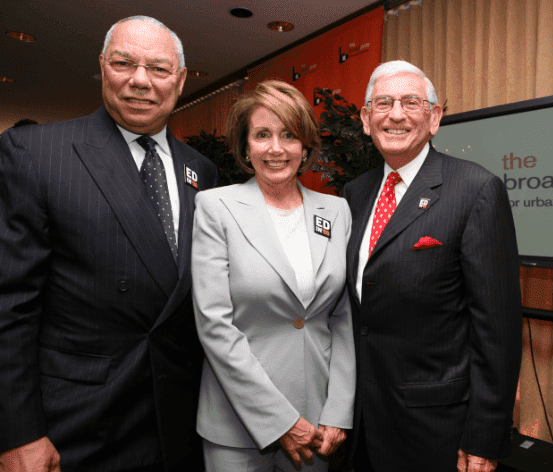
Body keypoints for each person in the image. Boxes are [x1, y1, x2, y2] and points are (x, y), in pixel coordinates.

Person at [0, 16, 218, 472]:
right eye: (124, 63)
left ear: (179, 81)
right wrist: (18, 432)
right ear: (103, 66)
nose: (140, 80)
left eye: (158, 69)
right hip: (74, 426)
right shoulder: (36, 153)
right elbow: (10, 305)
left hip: (175, 421)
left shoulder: (201, 171)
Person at [342, 60, 522, 472]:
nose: (396, 114)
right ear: (366, 120)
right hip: (364, 421)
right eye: (383, 103)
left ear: (435, 117)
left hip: (437, 430)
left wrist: (485, 436)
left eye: (411, 102)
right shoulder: (354, 193)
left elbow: (497, 329)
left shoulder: (476, 190)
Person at [190, 80, 355, 472]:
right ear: (245, 146)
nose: (276, 149)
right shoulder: (216, 207)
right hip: (236, 425)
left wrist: (339, 408)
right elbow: (214, 325)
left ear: (306, 146)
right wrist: (278, 420)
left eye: (289, 135)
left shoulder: (335, 211)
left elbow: (343, 318)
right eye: (262, 135)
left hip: (317, 424)